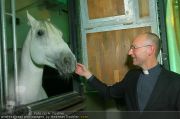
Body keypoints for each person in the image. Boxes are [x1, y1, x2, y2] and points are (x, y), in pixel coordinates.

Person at [75, 32, 180, 115]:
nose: (129, 52)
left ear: (150, 50)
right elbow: (108, 92)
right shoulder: (131, 76)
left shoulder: (175, 82)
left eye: (134, 48)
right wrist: (87, 74)